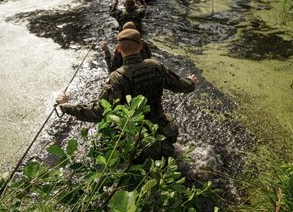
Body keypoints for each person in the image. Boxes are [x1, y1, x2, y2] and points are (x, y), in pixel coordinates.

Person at [56, 28, 198, 161]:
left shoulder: (116, 78)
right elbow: (181, 85)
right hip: (161, 135)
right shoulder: (155, 66)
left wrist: (66, 106)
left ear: (117, 49)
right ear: (140, 46)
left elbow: (100, 112)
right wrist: (191, 82)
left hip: (134, 144)